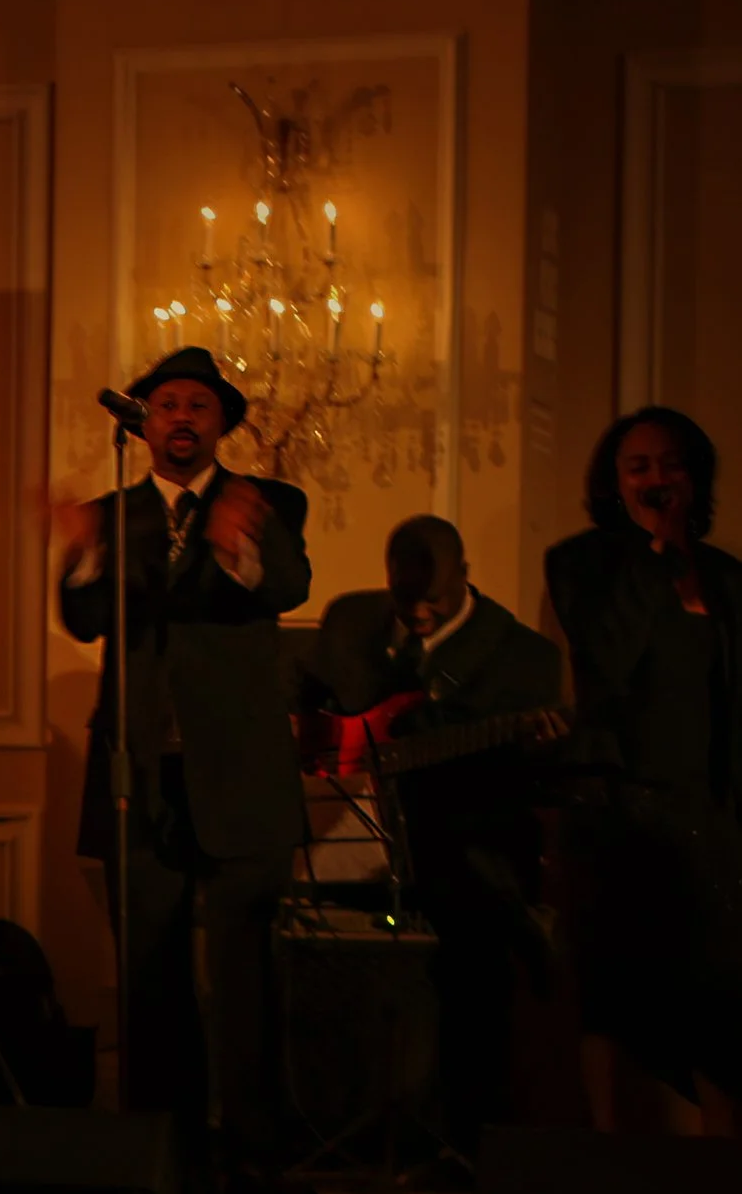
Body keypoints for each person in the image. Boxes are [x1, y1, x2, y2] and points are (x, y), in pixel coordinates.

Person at [55, 346, 312, 1194]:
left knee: (247, 978)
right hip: (139, 779)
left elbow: (288, 584)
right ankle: (164, 1153)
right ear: (143, 420)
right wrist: (86, 559)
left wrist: (238, 550)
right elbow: (85, 619)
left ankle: (259, 1158)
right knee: (150, 974)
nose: (180, 418)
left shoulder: (265, 503)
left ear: (221, 423)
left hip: (239, 779)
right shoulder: (109, 513)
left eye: (199, 405)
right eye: (166, 403)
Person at [302, 515, 562, 1151]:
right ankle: (334, 1121)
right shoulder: (352, 625)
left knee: (474, 976)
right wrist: (318, 733)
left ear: (467, 577)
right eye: (405, 598)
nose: (419, 612)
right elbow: (304, 690)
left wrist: (538, 747)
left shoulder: (523, 659)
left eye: (436, 600)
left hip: (472, 855)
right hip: (364, 847)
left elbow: (536, 785)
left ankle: (469, 1144)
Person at [545, 406, 742, 1133]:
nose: (658, 478)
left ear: (695, 477)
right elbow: (606, 661)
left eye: (672, 464)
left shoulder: (726, 579)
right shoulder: (581, 564)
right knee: (614, 990)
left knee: (717, 999)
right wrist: (655, 552)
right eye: (640, 467)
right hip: (617, 807)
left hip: (707, 810)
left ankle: (717, 1176)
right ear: (615, 483)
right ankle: (611, 1153)